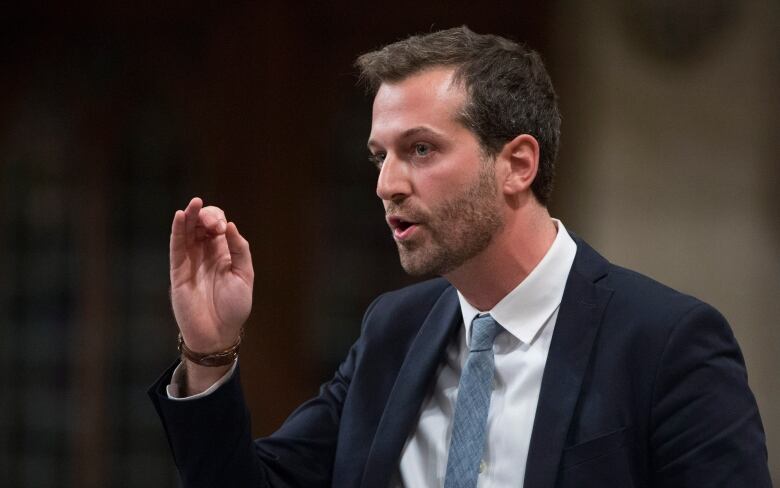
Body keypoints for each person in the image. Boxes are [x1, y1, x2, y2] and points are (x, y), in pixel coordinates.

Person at [149, 26, 771, 487]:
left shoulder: (667, 343)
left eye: (420, 150)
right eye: (379, 155)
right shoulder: (393, 331)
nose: (386, 183)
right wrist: (209, 351)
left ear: (517, 165)